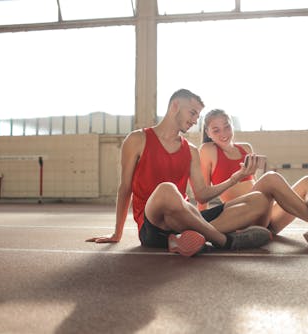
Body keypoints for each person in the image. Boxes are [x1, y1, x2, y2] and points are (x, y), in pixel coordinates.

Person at [86, 89, 272, 257]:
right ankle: (224, 240)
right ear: (175, 106)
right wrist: (117, 234)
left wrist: (235, 178)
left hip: (186, 218)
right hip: (154, 225)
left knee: (259, 200)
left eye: (197, 116)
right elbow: (125, 188)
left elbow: (201, 195)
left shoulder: (190, 150)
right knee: (167, 190)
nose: (194, 120)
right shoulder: (137, 139)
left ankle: (186, 239)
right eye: (192, 113)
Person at [199, 109, 308, 251]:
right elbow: (203, 195)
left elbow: (255, 185)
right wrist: (199, 219)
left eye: (227, 127)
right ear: (207, 133)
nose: (224, 134)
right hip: (246, 217)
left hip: (267, 216)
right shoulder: (208, 150)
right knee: (271, 178)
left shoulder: (246, 148)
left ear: (232, 125)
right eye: (216, 130)